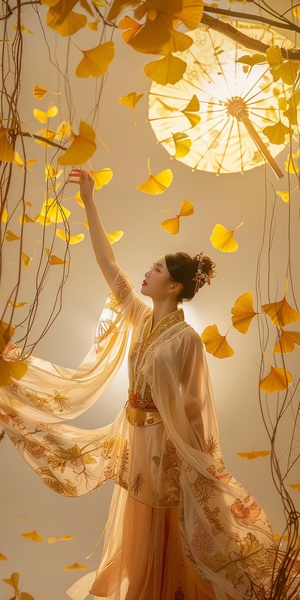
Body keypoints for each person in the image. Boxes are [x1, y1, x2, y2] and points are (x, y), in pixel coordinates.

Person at [0, 168, 276, 600]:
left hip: (167, 445)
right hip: (134, 439)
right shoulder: (141, 317)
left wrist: (191, 452)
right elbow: (107, 262)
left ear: (176, 286)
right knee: (137, 516)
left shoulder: (186, 340)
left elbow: (194, 403)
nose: (147, 273)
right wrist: (90, 200)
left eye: (157, 269)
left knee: (165, 519)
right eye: (150, 267)